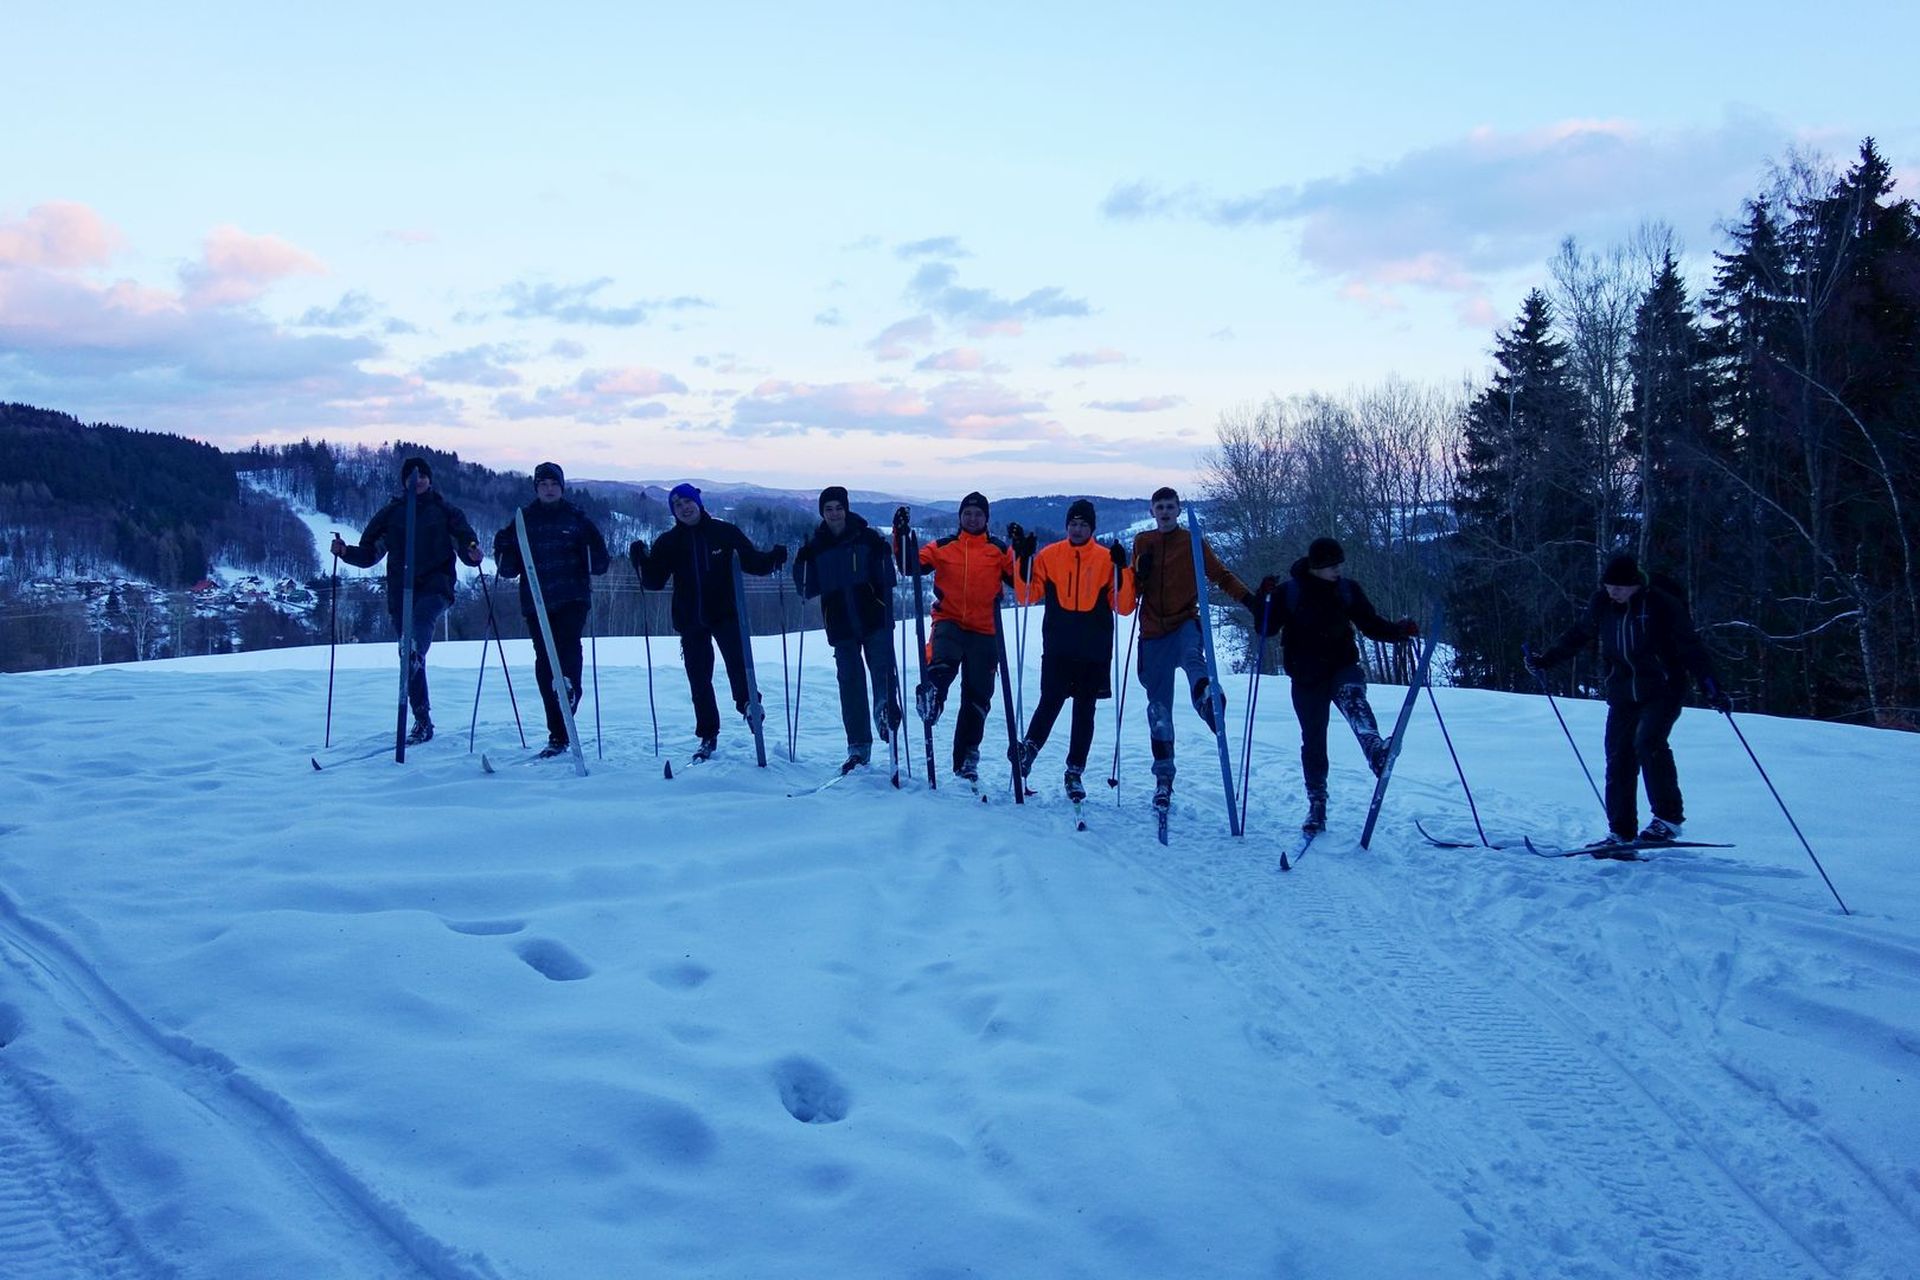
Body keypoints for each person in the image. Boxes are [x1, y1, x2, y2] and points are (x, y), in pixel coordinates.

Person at [1527, 552, 1728, 853]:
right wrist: (1546, 660)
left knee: (1648, 743)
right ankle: (1620, 832)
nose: (1613, 592)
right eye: (1609, 586)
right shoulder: (1602, 604)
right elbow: (1579, 634)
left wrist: (1712, 688)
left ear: (1635, 584)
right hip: (1622, 691)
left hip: (1663, 688)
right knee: (1618, 756)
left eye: (1619, 587)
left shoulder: (1660, 604)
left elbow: (1691, 647)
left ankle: (1667, 820)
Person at [1254, 537, 1418, 834]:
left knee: (1354, 699)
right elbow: (1266, 629)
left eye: (1339, 564)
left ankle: (1376, 752)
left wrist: (1398, 631)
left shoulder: (1346, 589)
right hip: (1306, 676)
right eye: (1332, 565)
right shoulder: (1289, 592)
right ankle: (1317, 803)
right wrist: (1263, 599)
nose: (1338, 570)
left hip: (1342, 666)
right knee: (1314, 740)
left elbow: (1370, 623)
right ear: (1316, 566)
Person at [331, 455, 484, 745]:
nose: (418, 480)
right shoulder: (392, 514)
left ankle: (414, 650)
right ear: (404, 481)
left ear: (429, 479)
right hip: (401, 590)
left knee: (419, 628)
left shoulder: (445, 511)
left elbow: (466, 541)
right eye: (412, 476)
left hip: (437, 585)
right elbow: (370, 552)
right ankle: (422, 719)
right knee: (409, 657)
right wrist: (345, 552)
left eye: (422, 475)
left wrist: (472, 553)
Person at [629, 483, 786, 760]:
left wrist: (773, 558)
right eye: (677, 505)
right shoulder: (669, 541)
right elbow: (654, 581)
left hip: (726, 613)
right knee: (699, 679)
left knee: (739, 665)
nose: (684, 508)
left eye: (688, 502)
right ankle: (707, 734)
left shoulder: (724, 533)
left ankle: (749, 705)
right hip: (690, 619)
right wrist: (641, 560)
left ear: (698, 503)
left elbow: (752, 562)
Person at [1129, 487, 1259, 817]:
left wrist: (1250, 601)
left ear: (1178, 510)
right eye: (1159, 506)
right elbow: (1133, 591)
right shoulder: (1143, 542)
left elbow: (1219, 575)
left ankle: (1207, 699)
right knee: (1159, 710)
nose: (1165, 511)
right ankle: (1164, 778)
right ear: (1152, 511)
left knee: (1192, 657)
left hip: (1184, 621)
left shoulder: (1192, 541)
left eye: (1170, 506)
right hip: (1152, 632)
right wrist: (1138, 575)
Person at [1007, 499, 1135, 803]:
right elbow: (1027, 595)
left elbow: (1124, 606)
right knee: (1050, 700)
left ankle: (1074, 771)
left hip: (1094, 647)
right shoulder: (1050, 555)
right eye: (1073, 524)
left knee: (1084, 711)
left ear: (1092, 528)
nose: (1077, 529)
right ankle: (1028, 751)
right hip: (1059, 644)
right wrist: (1022, 559)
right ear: (1067, 526)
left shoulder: (1106, 558)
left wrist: (1124, 569)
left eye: (1083, 525)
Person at [490, 462, 610, 758]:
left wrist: (592, 550)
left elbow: (600, 563)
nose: (549, 489)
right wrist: (502, 548)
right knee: (545, 660)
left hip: (572, 597)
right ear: (536, 488)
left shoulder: (577, 518)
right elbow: (509, 569)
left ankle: (570, 689)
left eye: (554, 484)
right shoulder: (523, 520)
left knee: (568, 646)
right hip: (536, 601)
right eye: (543, 484)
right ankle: (557, 733)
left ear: (562, 488)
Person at [911, 491, 1016, 784]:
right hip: (950, 619)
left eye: (978, 514)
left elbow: (1020, 580)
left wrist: (1021, 553)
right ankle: (932, 697)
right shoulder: (943, 546)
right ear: (960, 517)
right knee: (942, 661)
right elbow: (911, 565)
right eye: (967, 513)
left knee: (978, 697)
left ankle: (967, 757)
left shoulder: (999, 549)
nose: (972, 518)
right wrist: (901, 536)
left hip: (985, 629)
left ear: (986, 519)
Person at [793, 486, 899, 773]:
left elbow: (888, 580)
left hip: (874, 618)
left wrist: (884, 555)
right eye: (828, 509)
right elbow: (806, 589)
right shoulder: (816, 546)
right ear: (822, 513)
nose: (834, 513)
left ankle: (885, 713)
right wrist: (801, 563)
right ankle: (858, 747)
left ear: (846, 509)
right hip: (840, 625)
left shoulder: (867, 538)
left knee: (883, 672)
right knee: (850, 684)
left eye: (839, 507)